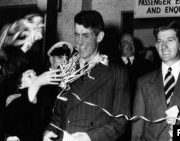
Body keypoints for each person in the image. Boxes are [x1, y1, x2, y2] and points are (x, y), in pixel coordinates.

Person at [41, 10, 131, 141]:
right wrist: (49, 131)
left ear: (99, 37)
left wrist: (90, 137)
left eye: (86, 36)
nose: (79, 42)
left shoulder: (117, 72)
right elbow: (58, 116)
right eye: (77, 35)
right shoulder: (68, 70)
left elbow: (121, 121)